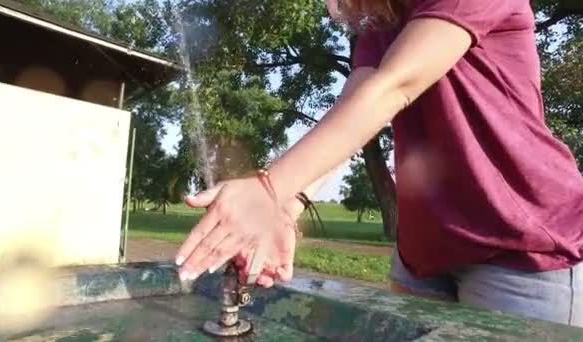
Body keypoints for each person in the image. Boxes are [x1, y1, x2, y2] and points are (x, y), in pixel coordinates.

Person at [175, 0, 583, 326]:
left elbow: (394, 86)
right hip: (424, 252)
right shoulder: (384, 22)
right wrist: (286, 207)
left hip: (520, 249)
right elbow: (356, 108)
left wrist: (266, 190)